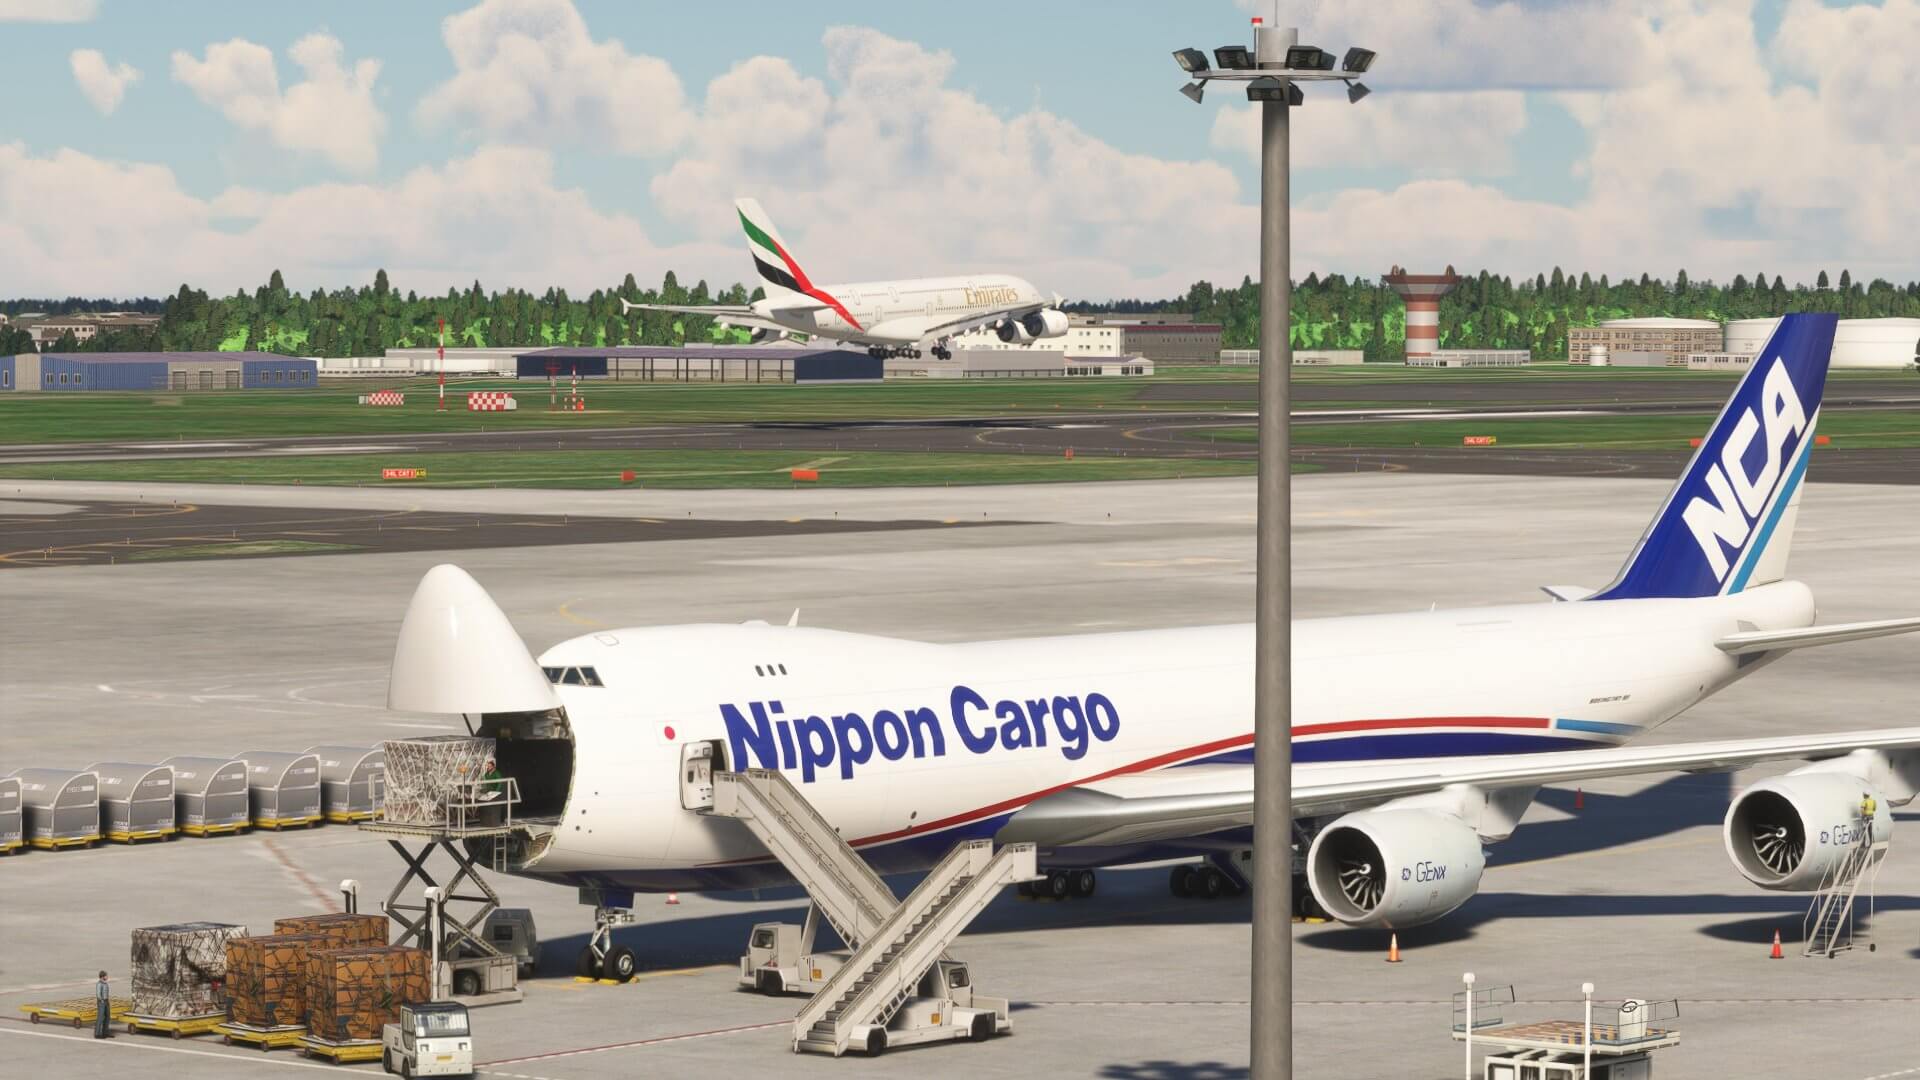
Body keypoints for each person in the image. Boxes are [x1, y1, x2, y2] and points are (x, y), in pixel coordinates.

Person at [93, 971, 112, 1039]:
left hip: (106, 1001)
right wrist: (101, 1000)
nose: (107, 977)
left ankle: (105, 1032)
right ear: (102, 976)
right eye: (106, 976)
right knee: (100, 1017)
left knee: (107, 1017)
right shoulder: (99, 984)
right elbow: (98, 994)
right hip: (102, 1002)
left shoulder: (105, 983)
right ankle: (97, 1034)